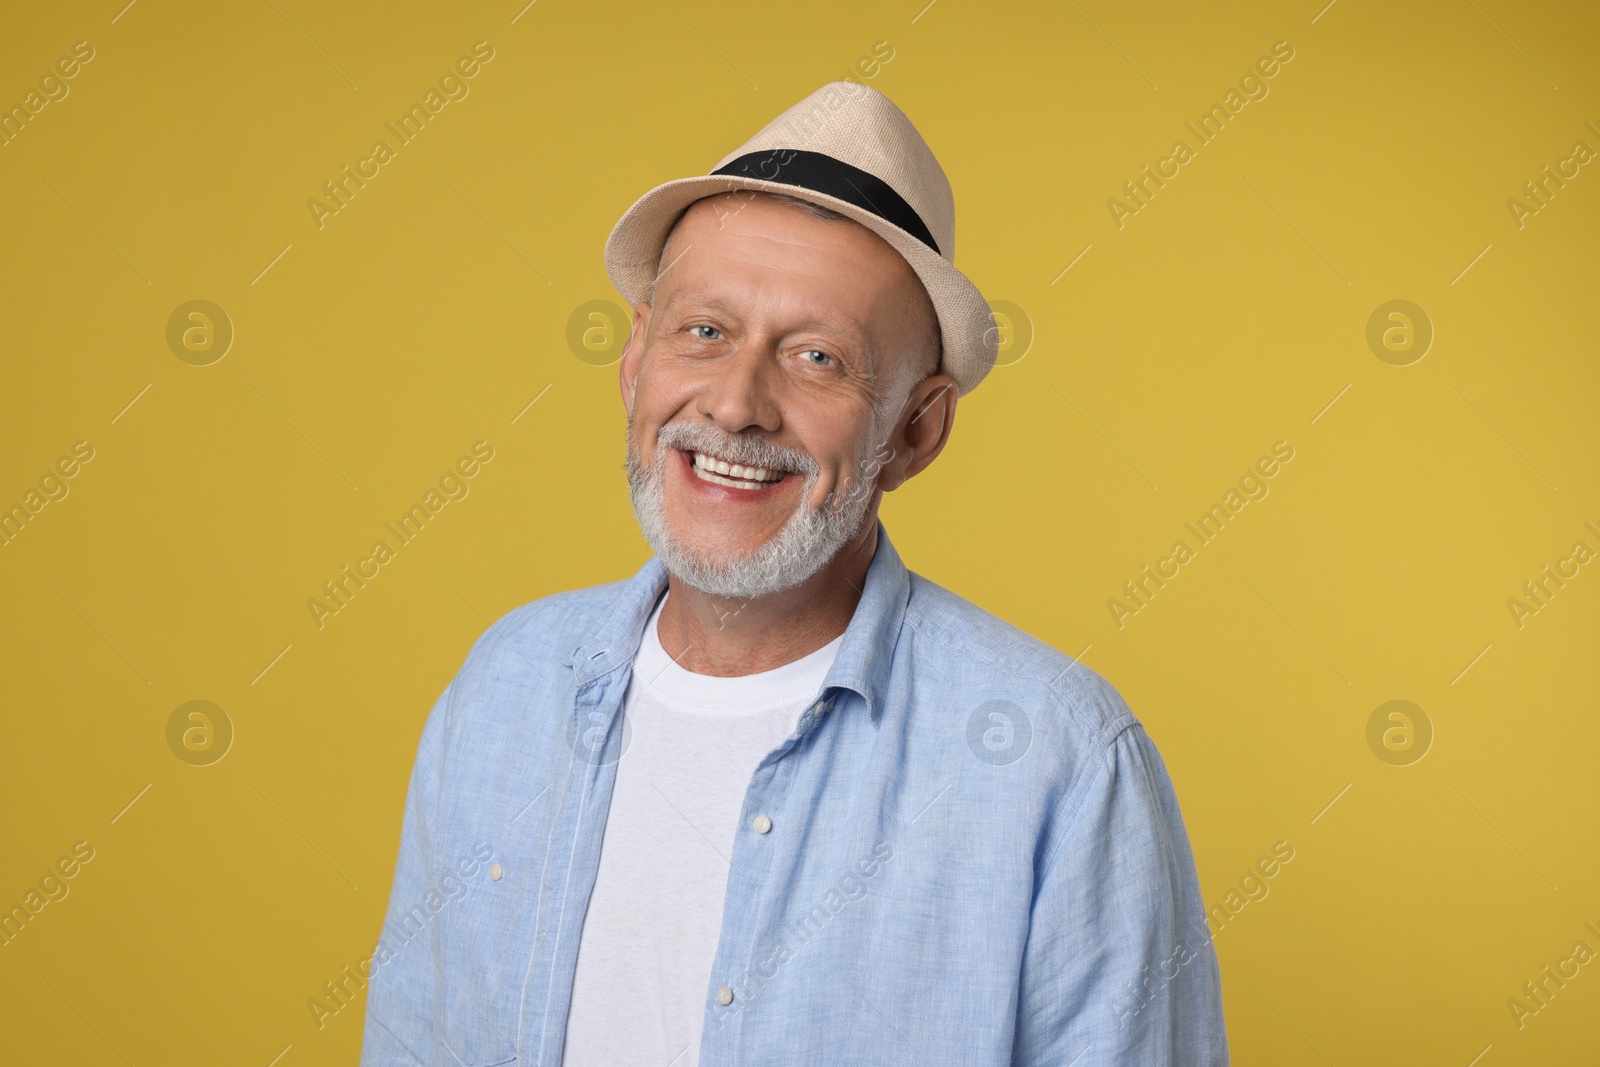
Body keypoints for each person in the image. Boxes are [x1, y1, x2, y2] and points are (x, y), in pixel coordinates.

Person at [362, 81, 1227, 1066]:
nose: (736, 404)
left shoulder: (1059, 762)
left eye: (818, 357)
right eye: (704, 332)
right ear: (636, 359)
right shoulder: (502, 687)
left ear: (916, 428)